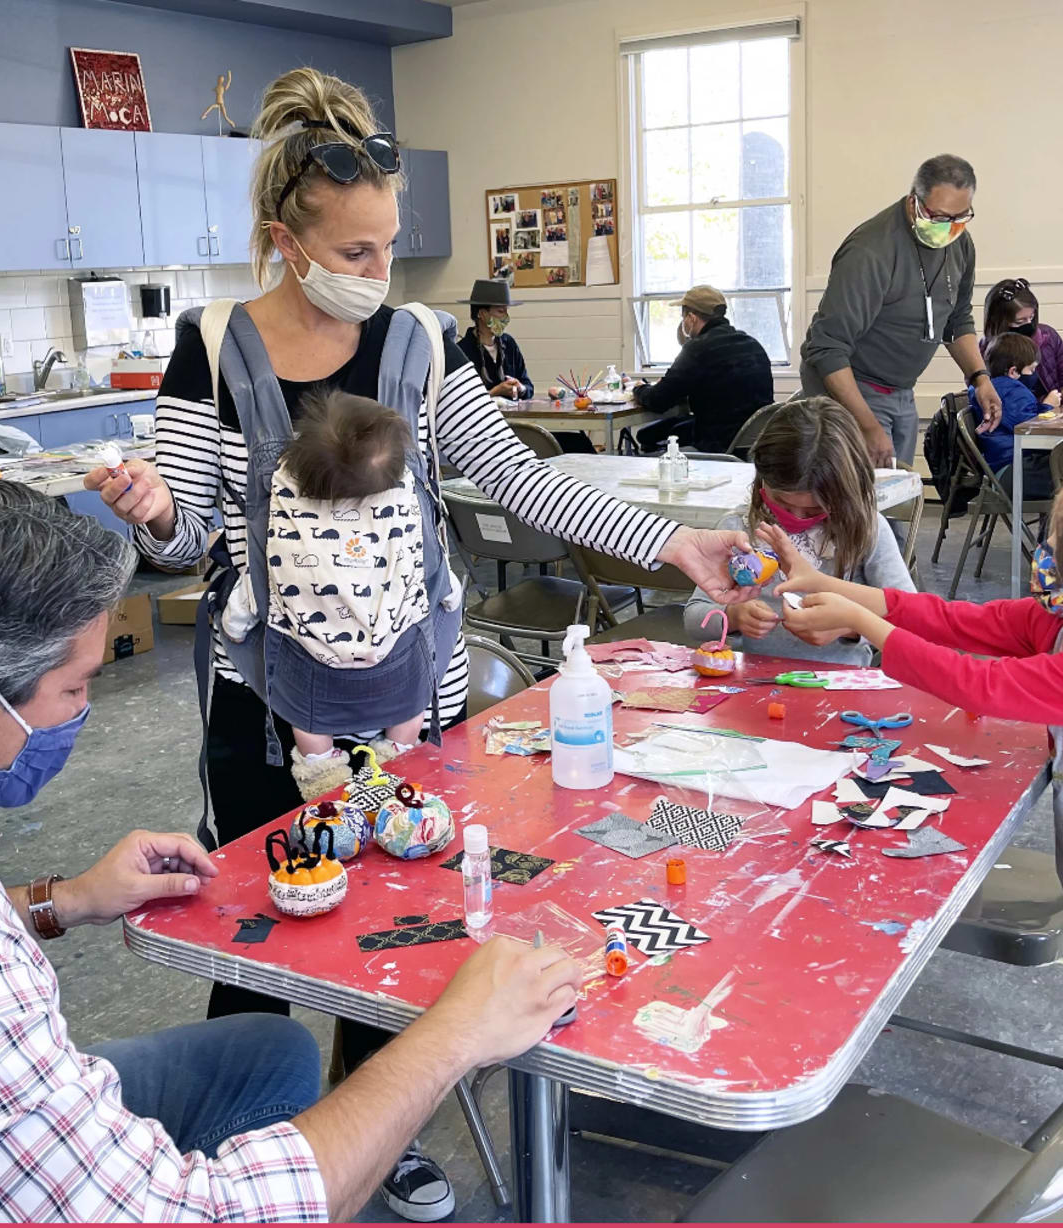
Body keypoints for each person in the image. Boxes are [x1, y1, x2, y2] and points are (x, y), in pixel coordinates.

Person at [83, 66, 759, 1220]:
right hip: (263, 701)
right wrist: (153, 513)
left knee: (387, 922)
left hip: (409, 695)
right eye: (353, 251)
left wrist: (672, 547)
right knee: (259, 914)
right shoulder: (210, 346)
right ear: (281, 241)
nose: (376, 274)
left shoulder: (423, 341)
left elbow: (511, 476)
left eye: (387, 247)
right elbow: (188, 537)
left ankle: (369, 1121)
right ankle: (237, 1150)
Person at [0, 479, 585, 1223]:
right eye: (76, 687)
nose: (83, 712)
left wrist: (66, 899)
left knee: (268, 1053)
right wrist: (452, 1035)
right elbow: (201, 1215)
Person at [764, 442, 1063, 1217]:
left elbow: (980, 683)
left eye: (1060, 540)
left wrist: (862, 619)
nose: (1045, 550)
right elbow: (956, 620)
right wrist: (827, 583)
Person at [220, 390, 434, 798]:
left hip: (311, 668)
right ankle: (401, 752)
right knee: (412, 703)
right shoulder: (398, 521)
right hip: (395, 660)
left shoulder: (292, 529)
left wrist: (234, 623)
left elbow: (259, 588)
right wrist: (451, 597)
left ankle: (322, 776)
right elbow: (429, 576)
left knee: (308, 721)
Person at [800, 154, 1002, 466]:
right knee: (860, 505)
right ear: (913, 202)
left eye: (960, 218)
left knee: (897, 500)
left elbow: (957, 318)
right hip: (851, 390)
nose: (948, 229)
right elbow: (827, 348)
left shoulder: (959, 243)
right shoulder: (870, 252)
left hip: (901, 390)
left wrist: (980, 378)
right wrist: (867, 425)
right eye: (938, 217)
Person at [684, 398, 914, 664]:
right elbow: (693, 617)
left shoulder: (866, 530)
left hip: (840, 685)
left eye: (814, 509)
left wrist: (849, 627)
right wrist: (733, 616)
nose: (795, 517)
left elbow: (910, 619)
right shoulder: (738, 529)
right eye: (781, 502)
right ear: (762, 479)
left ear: (845, 494)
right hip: (753, 682)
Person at [632, 284, 776, 454]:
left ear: (691, 318)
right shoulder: (752, 343)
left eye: (683, 316)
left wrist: (639, 388)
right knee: (675, 425)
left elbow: (658, 400)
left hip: (718, 440)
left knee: (647, 435)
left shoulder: (697, 349)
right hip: (755, 439)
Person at [980, 277, 1063, 403]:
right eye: (1020, 321)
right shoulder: (985, 352)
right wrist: (1056, 399)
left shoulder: (1048, 337)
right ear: (1000, 322)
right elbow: (1000, 404)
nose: (1029, 323)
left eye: (1032, 317)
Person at [972, 332, 1060, 500]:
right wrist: (1049, 406)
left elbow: (1018, 416)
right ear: (1013, 371)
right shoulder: (1014, 391)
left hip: (1001, 467)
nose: (1034, 374)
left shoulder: (990, 390)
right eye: (1032, 369)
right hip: (1012, 472)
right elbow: (1030, 428)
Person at [458, 277, 532, 401]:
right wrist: (494, 392)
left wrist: (520, 388)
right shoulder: (462, 351)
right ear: (481, 314)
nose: (506, 317)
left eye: (506, 311)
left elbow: (528, 386)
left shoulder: (509, 344)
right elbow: (460, 399)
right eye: (500, 311)